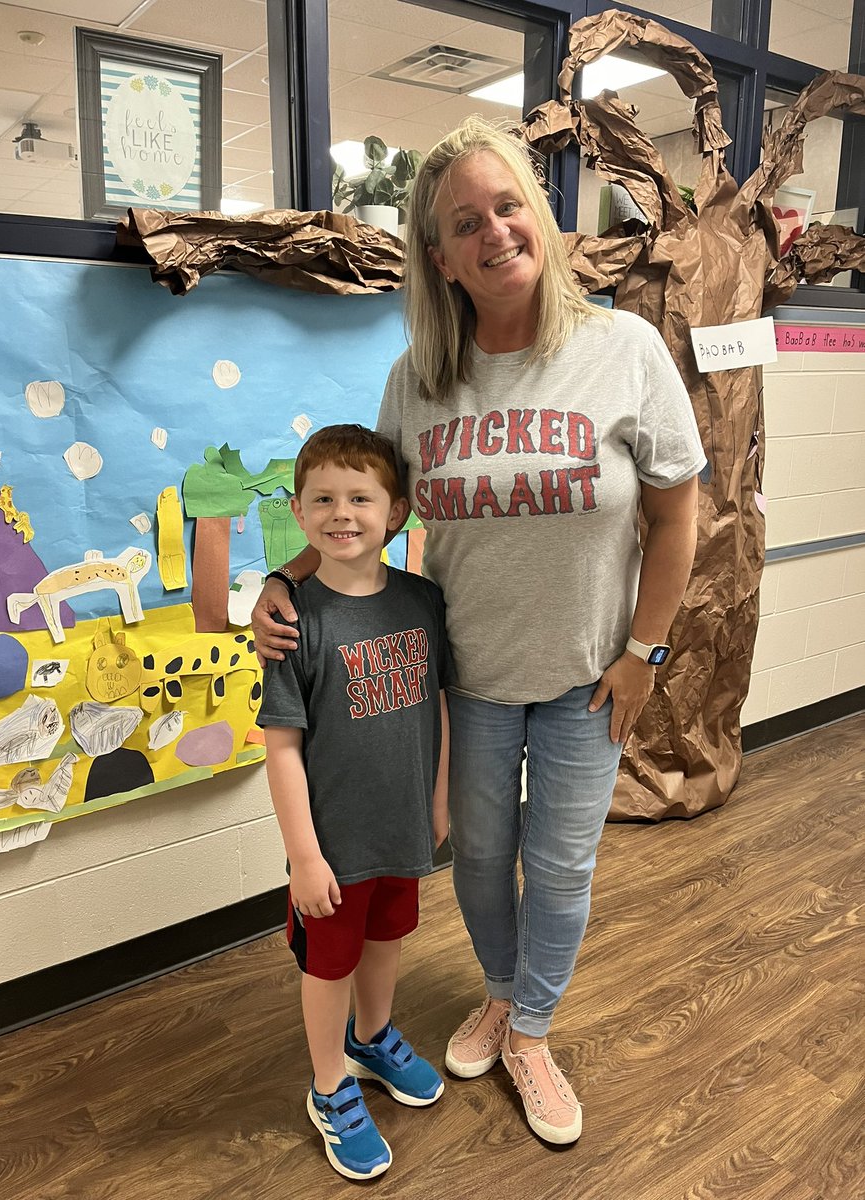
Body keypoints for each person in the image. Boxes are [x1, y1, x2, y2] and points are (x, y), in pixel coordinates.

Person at [253, 117, 705, 1147]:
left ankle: (532, 1031)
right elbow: (367, 512)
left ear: (538, 215)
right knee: (479, 861)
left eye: (508, 206)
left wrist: (645, 653)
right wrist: (283, 579)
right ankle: (500, 996)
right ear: (442, 257)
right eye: (466, 222)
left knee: (563, 868)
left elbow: (678, 516)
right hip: (466, 682)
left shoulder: (624, 351)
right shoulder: (419, 378)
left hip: (591, 679)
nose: (494, 231)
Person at [258, 424, 452, 1181]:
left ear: (396, 512)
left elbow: (439, 706)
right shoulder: (292, 623)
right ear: (299, 513)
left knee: (388, 938)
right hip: (332, 846)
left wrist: (439, 799)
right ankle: (330, 1085)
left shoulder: (423, 601)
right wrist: (304, 857)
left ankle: (371, 1038)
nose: (342, 513)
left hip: (403, 827)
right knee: (329, 965)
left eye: (360, 498)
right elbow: (281, 748)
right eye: (323, 499)